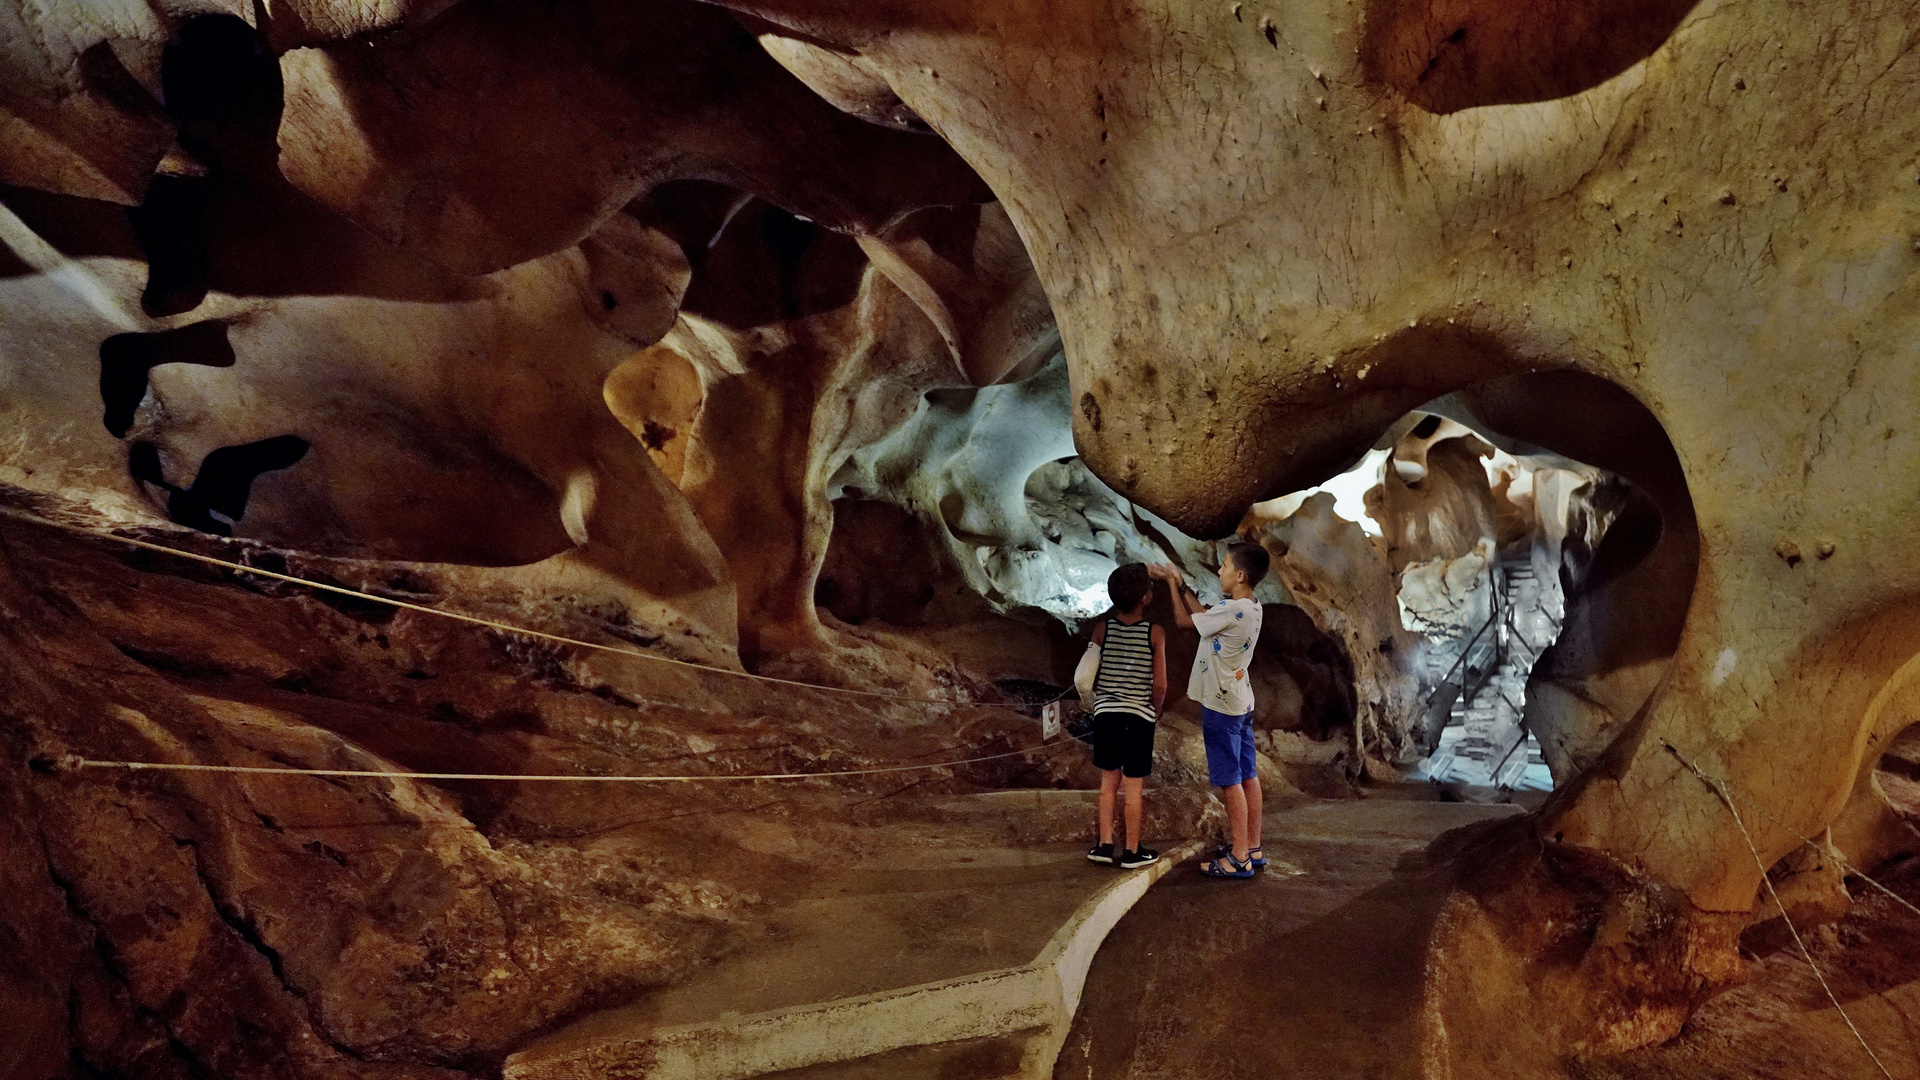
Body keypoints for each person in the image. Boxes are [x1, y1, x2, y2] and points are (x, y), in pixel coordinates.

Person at [1149, 542, 1270, 879]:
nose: (1220, 571)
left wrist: (1172, 585)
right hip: (1240, 700)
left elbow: (1184, 620)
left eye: (1225, 566)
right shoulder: (1250, 607)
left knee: (1230, 782)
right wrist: (1183, 583)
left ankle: (1240, 857)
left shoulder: (1233, 611)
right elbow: (1204, 614)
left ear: (1240, 575)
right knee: (1248, 776)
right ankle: (1253, 847)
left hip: (1222, 707)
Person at [1085, 562, 1168, 870]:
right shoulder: (1155, 633)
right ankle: (1132, 851)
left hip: (1106, 715)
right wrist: (1155, 709)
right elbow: (1159, 683)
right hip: (1138, 717)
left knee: (1108, 782)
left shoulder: (1102, 628)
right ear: (1145, 597)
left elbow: (1086, 672)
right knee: (1133, 786)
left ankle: (1104, 846)